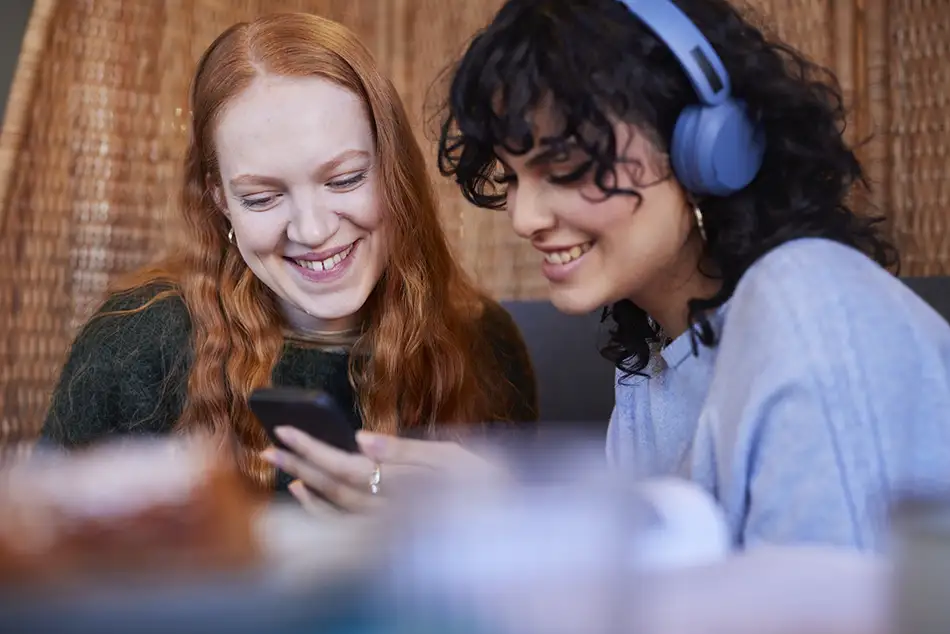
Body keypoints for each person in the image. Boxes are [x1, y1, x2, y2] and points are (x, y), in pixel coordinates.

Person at [425, 0, 950, 552]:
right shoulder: (652, 370)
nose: (523, 217)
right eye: (511, 176)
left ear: (707, 147)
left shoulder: (810, 303)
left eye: (563, 169)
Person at [41, 13, 538, 497]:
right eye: (261, 198)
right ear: (221, 202)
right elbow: (45, 563)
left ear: (395, 170)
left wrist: (496, 512)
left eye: (345, 179)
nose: (313, 229)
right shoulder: (134, 347)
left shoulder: (484, 343)